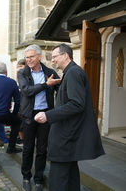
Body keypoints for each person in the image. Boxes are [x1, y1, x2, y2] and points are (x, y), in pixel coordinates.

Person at [35, 44, 105, 191]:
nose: (52, 61)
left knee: (58, 181)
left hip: (66, 137)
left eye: (55, 57)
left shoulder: (73, 72)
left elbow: (76, 104)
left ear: (65, 55)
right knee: (71, 178)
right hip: (68, 137)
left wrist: (48, 115)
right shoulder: (71, 72)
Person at [17, 44, 60, 191]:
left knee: (42, 149)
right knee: (28, 148)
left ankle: (39, 179)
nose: (28, 60)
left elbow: (60, 89)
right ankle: (26, 177)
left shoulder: (50, 72)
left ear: (39, 57)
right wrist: (45, 85)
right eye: (27, 57)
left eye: (31, 57)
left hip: (46, 114)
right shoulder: (22, 73)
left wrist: (58, 111)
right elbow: (27, 91)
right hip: (29, 115)